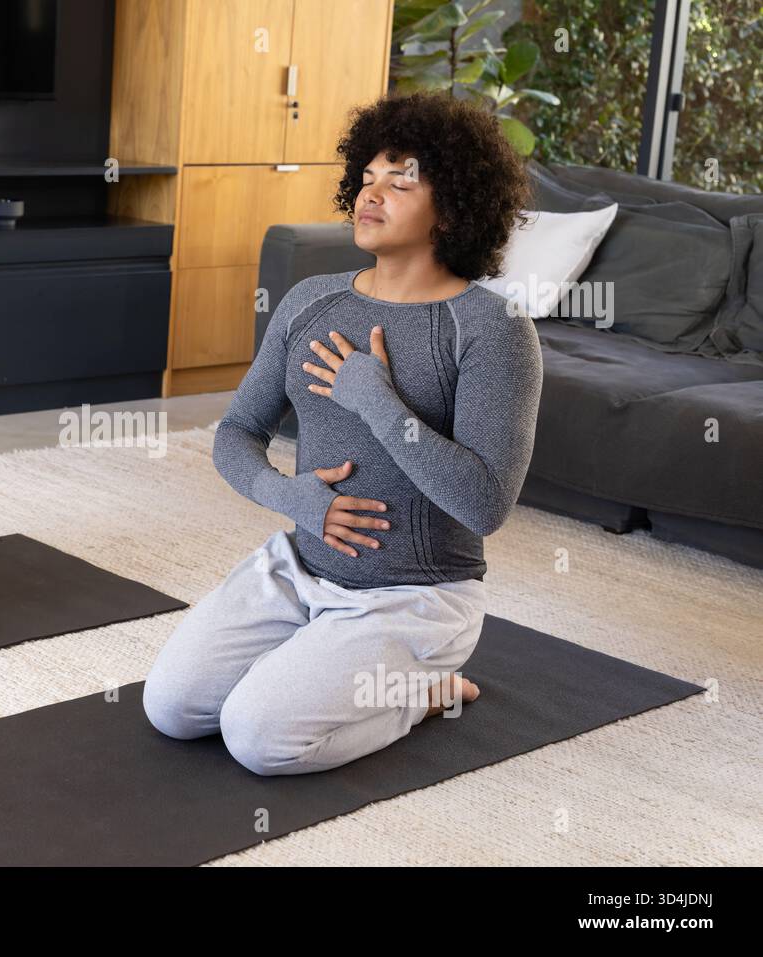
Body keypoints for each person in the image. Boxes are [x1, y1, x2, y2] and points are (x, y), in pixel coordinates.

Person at [143, 91, 542, 775]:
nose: (371, 194)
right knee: (172, 708)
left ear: (453, 205)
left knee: (257, 738)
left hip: (416, 596)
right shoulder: (311, 301)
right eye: (366, 178)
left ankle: (422, 694)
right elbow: (236, 431)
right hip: (298, 567)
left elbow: (485, 505)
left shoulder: (493, 331)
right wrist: (292, 496)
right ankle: (317, 654)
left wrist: (376, 400)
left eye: (400, 180)